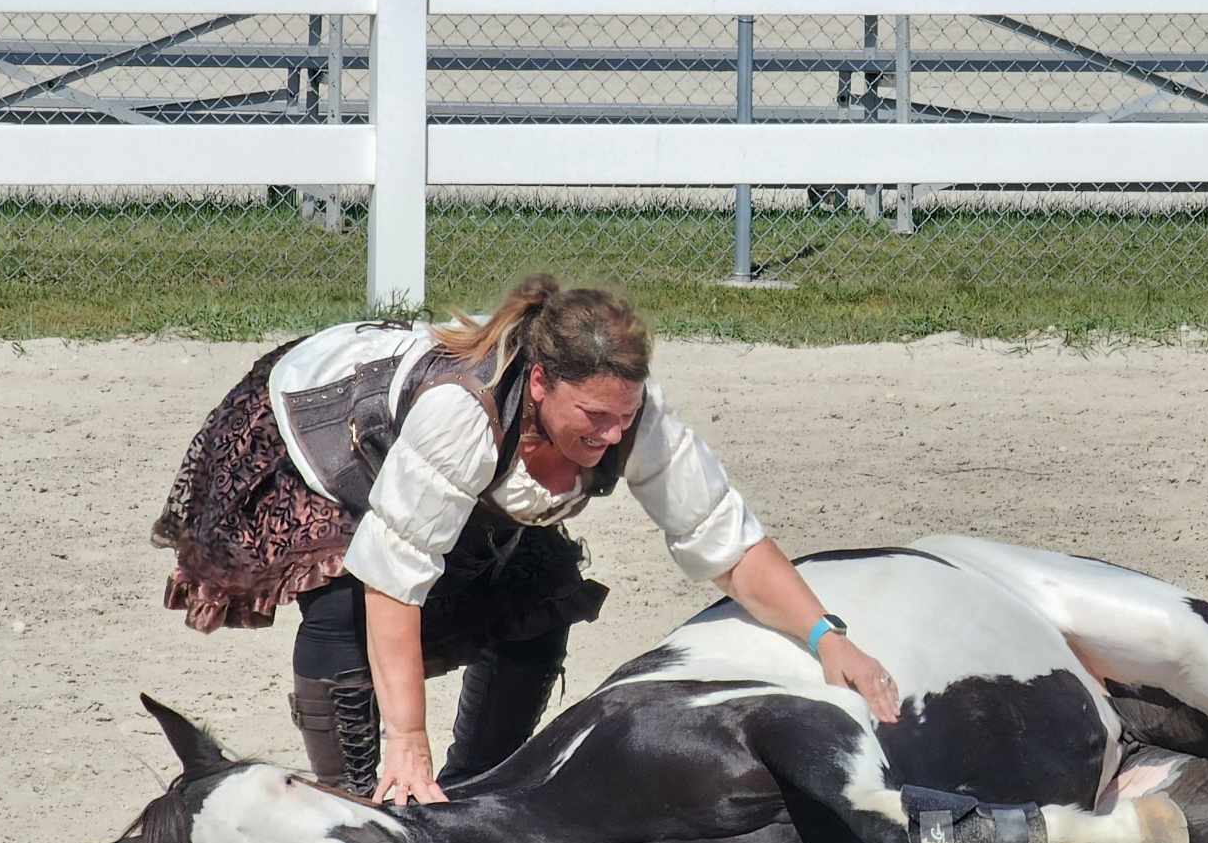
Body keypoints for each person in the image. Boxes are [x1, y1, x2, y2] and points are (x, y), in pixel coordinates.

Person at [152, 274, 899, 804]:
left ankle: (479, 785)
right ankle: (356, 799)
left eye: (623, 416)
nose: (611, 437)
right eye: (594, 417)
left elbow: (724, 541)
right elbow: (394, 575)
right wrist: (408, 741)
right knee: (344, 599)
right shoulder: (462, 412)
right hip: (323, 423)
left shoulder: (630, 417)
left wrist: (828, 638)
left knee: (537, 597)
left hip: (452, 458)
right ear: (540, 383)